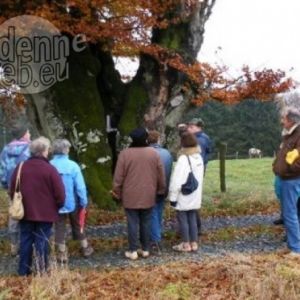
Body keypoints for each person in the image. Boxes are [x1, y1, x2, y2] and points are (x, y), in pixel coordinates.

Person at [9, 137, 65, 276]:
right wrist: (57, 206)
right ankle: (41, 271)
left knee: (26, 241)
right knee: (42, 243)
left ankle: (23, 272)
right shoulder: (50, 169)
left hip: (25, 212)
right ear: (44, 151)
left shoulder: (20, 167)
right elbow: (60, 194)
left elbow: (12, 190)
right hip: (46, 214)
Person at [112, 127, 166, 260]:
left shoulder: (125, 154)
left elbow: (118, 176)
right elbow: (161, 175)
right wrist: (161, 189)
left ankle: (132, 250)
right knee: (146, 221)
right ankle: (145, 248)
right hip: (148, 193)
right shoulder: (154, 153)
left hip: (130, 194)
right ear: (146, 138)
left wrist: (116, 191)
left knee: (132, 222)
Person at [50, 139, 94, 262]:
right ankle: (85, 247)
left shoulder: (49, 165)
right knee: (78, 223)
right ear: (65, 150)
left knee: (59, 226)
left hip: (55, 202)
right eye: (68, 148)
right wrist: (83, 201)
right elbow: (80, 186)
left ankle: (62, 252)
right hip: (72, 200)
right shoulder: (73, 165)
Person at [169, 132, 204, 252]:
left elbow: (177, 180)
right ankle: (194, 243)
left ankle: (185, 244)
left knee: (183, 219)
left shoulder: (184, 159)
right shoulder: (199, 157)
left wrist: (173, 198)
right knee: (192, 218)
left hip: (184, 193)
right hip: (195, 193)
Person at [273, 106, 300, 257]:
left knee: (290, 214)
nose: (281, 121)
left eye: (283, 118)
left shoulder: (298, 135)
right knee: (289, 214)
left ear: (290, 120)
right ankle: (292, 246)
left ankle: (296, 250)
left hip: (292, 179)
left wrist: (288, 170)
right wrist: (276, 166)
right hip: (286, 179)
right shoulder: (289, 135)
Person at [0, 124, 31, 256]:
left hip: (12, 187)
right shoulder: (29, 149)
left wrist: (5, 185)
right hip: (28, 186)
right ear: (24, 135)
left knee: (15, 212)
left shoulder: (6, 149)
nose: (30, 135)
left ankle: (14, 245)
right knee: (29, 213)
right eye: (28, 133)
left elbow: (2, 169)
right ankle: (28, 244)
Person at [147, 130, 173, 254]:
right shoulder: (167, 153)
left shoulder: (147, 154)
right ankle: (156, 233)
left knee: (152, 213)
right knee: (158, 211)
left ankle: (155, 240)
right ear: (158, 139)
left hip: (151, 188)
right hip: (164, 188)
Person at [186, 117, 211, 236]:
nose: (189, 129)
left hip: (195, 173)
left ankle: (195, 228)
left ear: (199, 127)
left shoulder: (199, 139)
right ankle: (194, 228)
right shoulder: (202, 137)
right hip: (198, 171)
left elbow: (196, 157)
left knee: (192, 199)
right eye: (188, 126)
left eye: (192, 127)